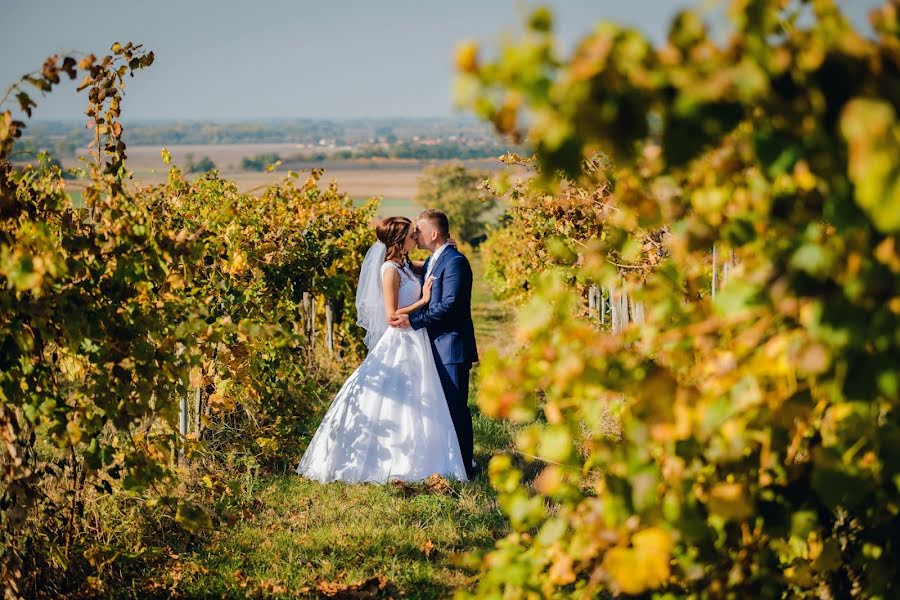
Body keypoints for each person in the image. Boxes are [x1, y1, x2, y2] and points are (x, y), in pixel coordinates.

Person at [296, 216, 468, 483]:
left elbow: (436, 264)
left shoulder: (407, 264)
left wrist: (448, 247)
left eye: (417, 232)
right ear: (401, 240)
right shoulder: (389, 269)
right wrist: (421, 300)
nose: (416, 236)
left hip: (416, 339)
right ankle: (388, 460)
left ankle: (428, 454)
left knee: (422, 398)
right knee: (399, 397)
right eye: (412, 234)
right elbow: (391, 314)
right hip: (402, 338)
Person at [389, 209, 478, 479]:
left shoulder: (455, 262)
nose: (415, 234)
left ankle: (464, 465)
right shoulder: (434, 259)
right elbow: (411, 267)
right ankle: (447, 462)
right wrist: (392, 260)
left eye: (419, 229)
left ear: (434, 233)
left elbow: (449, 306)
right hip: (434, 347)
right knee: (439, 408)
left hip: (451, 347)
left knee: (455, 407)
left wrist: (414, 321)